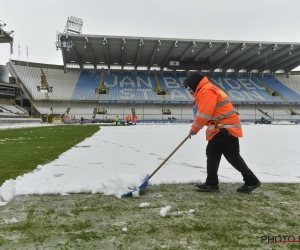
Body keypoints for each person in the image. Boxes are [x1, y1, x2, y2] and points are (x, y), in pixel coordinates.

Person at [182, 73, 261, 193]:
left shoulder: (206, 91)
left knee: (233, 158)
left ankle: (252, 180)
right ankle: (211, 183)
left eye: (189, 87)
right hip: (219, 130)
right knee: (212, 155)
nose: (189, 91)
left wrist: (194, 129)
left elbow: (204, 115)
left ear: (194, 84)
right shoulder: (206, 90)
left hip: (225, 130)